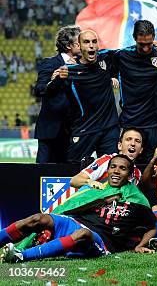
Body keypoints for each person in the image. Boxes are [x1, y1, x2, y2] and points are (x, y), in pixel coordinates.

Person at [0, 155, 156, 263]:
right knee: (39, 218)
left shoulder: (138, 199)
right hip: (75, 222)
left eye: (122, 168)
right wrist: (101, 201)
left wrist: (140, 245)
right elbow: (73, 208)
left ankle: (20, 256)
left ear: (129, 175)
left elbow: (151, 227)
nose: (116, 171)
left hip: (101, 240)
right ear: (107, 170)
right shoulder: (98, 189)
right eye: (113, 167)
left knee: (83, 234)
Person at [47, 30, 119, 163]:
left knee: (113, 167)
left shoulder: (107, 58)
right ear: (79, 46)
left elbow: (133, 52)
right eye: (86, 42)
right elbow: (49, 93)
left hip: (109, 127)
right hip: (84, 128)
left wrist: (154, 46)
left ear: (98, 45)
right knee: (72, 168)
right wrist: (56, 80)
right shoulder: (69, 70)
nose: (91, 45)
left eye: (94, 42)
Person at [107, 20, 157, 163]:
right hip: (129, 122)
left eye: (149, 44)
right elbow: (95, 55)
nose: (145, 48)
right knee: (125, 166)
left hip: (153, 125)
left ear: (154, 38)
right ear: (134, 38)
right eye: (141, 44)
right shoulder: (122, 55)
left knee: (152, 168)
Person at [33, 25, 80, 163]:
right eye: (79, 42)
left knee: (70, 175)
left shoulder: (83, 66)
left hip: (74, 131)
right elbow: (39, 89)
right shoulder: (50, 63)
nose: (83, 45)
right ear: (68, 45)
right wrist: (55, 81)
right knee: (42, 175)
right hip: (50, 129)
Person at [70, 128, 145, 189]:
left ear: (141, 150)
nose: (133, 144)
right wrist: (90, 182)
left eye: (137, 141)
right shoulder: (107, 160)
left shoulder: (137, 173)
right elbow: (75, 180)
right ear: (120, 146)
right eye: (128, 139)